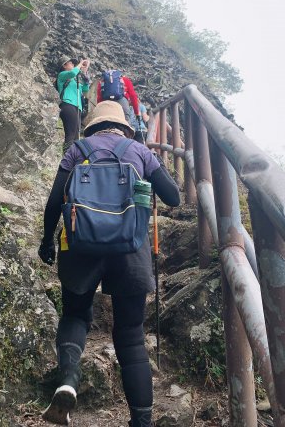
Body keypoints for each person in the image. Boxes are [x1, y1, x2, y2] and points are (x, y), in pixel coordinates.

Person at [38, 101, 180, 427]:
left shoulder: (78, 149)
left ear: (92, 126)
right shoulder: (139, 151)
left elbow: (55, 200)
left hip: (79, 245)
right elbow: (173, 196)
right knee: (130, 334)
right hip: (130, 249)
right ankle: (141, 422)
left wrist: (47, 241)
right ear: (124, 127)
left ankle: (69, 380)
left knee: (75, 314)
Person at [56, 56, 90, 154]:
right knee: (70, 134)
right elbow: (72, 73)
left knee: (76, 137)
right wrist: (80, 64)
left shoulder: (75, 80)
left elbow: (85, 90)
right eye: (71, 63)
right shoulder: (62, 75)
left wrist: (85, 73)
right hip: (67, 104)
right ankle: (66, 159)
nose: (73, 64)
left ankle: (72, 160)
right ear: (64, 65)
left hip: (77, 107)